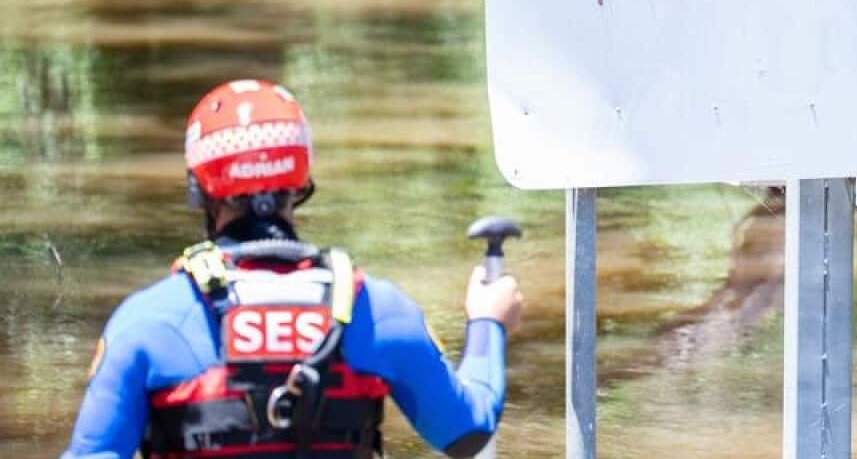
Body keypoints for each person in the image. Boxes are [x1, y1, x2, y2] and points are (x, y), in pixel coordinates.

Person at [62, 79, 523, 459]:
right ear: (300, 181)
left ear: (198, 189)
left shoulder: (148, 322)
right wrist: (488, 323)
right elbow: (468, 432)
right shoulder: (377, 309)